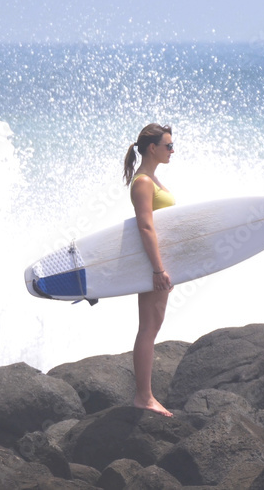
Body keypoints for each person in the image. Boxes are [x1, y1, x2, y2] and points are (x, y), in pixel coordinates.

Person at [122, 123, 175, 416]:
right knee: (148, 329)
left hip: (160, 264)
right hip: (152, 265)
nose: (172, 150)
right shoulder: (143, 182)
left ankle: (146, 394)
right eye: (168, 145)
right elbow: (145, 226)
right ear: (152, 148)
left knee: (152, 327)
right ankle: (144, 396)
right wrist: (157, 270)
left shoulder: (152, 179)